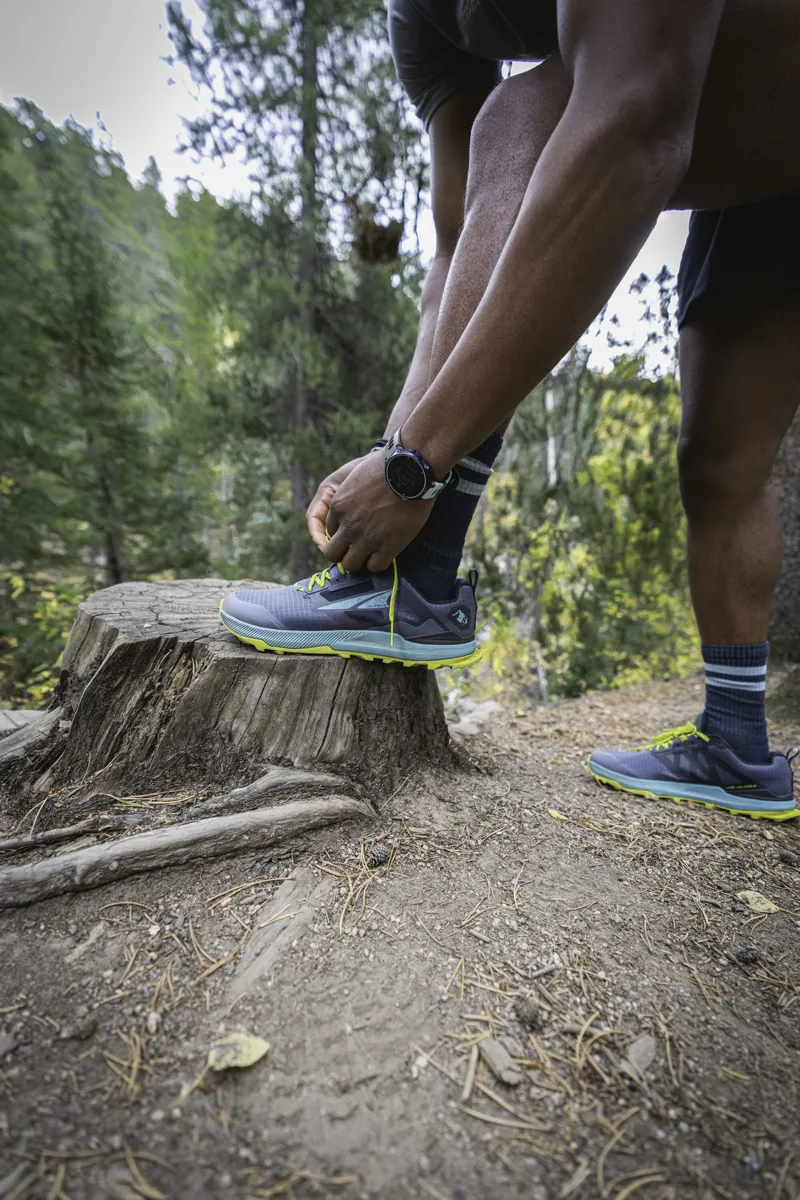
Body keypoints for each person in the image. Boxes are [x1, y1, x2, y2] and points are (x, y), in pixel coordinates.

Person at [221, 0, 800, 821]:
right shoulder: (421, 23)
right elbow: (466, 241)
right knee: (721, 458)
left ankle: (413, 588)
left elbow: (635, 115)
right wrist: (393, 451)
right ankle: (739, 746)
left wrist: (414, 470)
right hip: (767, 143)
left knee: (523, 112)